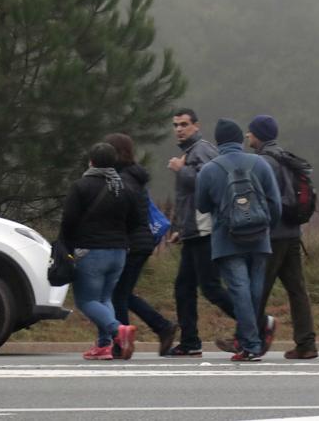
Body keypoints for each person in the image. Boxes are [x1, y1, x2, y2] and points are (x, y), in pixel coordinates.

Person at [195, 118, 282, 361]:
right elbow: (275, 203)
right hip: (259, 238)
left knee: (239, 291)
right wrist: (266, 228)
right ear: (238, 140)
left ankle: (251, 344)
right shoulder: (259, 163)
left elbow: (201, 206)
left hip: (227, 239)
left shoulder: (209, 169)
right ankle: (251, 342)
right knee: (254, 290)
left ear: (218, 141)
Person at [59, 142, 144, 361]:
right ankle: (104, 345)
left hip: (91, 252)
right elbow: (136, 220)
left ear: (91, 161)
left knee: (86, 301)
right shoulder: (124, 187)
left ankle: (118, 330)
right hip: (119, 252)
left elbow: (68, 220)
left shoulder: (82, 186)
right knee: (105, 298)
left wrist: (66, 246)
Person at [247, 114, 319, 359]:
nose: (248, 135)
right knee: (297, 290)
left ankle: (247, 341)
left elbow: (261, 199)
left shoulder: (263, 162)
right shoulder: (287, 158)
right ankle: (306, 343)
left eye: (250, 132)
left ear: (258, 135)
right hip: (292, 233)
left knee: (258, 289)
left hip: (272, 234)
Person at [166, 108, 235, 357]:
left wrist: (180, 170)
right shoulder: (188, 152)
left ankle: (258, 322)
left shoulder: (203, 149)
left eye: (184, 124)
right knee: (183, 287)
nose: (179, 129)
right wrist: (178, 228)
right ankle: (190, 341)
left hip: (206, 231)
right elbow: (185, 197)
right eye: (175, 125)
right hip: (192, 232)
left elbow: (211, 181)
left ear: (196, 125)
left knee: (210, 287)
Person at [105, 132, 179, 357]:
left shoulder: (124, 179)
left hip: (133, 243)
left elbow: (124, 215)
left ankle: (122, 344)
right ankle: (162, 327)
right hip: (141, 241)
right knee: (123, 292)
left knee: (118, 293)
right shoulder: (133, 176)